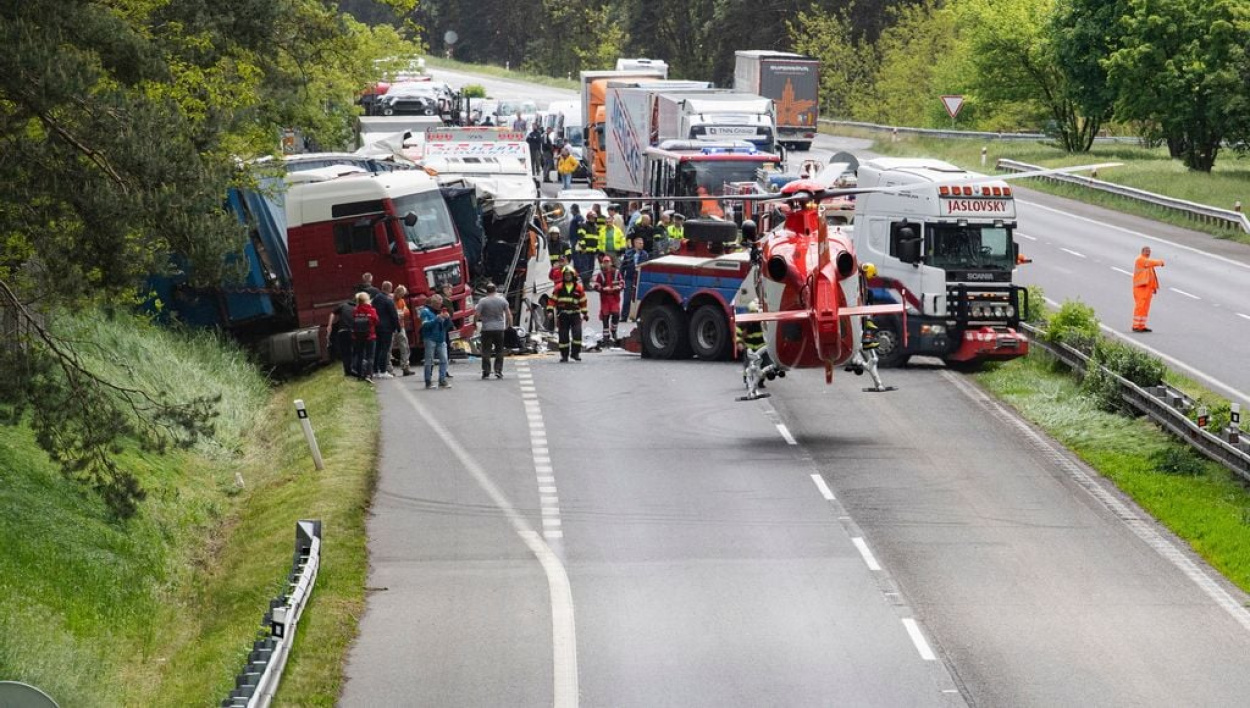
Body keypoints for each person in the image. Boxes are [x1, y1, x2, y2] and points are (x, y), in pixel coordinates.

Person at [548, 267, 588, 362]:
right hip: (563, 315)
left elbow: (583, 301)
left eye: (569, 275)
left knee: (577, 334)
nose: (567, 276)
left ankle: (575, 353)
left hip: (575, 315)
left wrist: (585, 313)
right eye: (566, 275)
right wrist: (549, 311)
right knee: (563, 336)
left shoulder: (579, 288)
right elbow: (552, 300)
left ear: (573, 275)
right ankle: (564, 355)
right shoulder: (559, 287)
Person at [475, 283, 513, 379]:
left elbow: (477, 314)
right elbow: (509, 314)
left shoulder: (482, 301)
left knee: (486, 351)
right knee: (499, 350)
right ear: (495, 290)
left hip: (487, 329)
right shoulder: (502, 300)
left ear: (486, 291)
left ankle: (486, 371)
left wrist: (474, 323)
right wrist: (509, 325)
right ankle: (498, 371)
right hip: (499, 328)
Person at [419, 294, 452, 388]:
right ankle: (428, 381)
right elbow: (425, 325)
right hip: (430, 338)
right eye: (437, 304)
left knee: (444, 359)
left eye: (440, 304)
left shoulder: (441, 311)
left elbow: (447, 326)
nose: (439, 305)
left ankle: (442, 380)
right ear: (433, 303)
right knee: (429, 360)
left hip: (441, 339)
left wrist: (447, 318)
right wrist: (437, 319)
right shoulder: (425, 312)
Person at [591, 256, 624, 346]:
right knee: (605, 317)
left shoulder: (616, 273)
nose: (606, 264)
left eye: (607, 262)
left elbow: (622, 282)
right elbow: (596, 285)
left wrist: (619, 287)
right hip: (605, 298)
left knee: (616, 315)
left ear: (610, 263)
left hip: (614, 298)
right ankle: (606, 336)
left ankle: (614, 331)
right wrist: (602, 288)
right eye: (604, 262)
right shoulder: (600, 274)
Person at [1132, 246, 1165, 332]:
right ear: (1142, 251)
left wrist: (1154, 287)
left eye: (1149, 251)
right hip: (1140, 288)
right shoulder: (1141, 260)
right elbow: (1151, 262)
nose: (1148, 253)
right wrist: (1160, 262)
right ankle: (1136, 326)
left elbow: (1151, 277)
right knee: (1140, 306)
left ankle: (1141, 325)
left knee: (1145, 307)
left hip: (1147, 288)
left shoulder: (1147, 263)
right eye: (1146, 251)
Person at [372, 281, 400, 378]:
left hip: (377, 327)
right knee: (385, 349)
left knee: (377, 349)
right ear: (390, 289)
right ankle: (383, 371)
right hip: (387, 329)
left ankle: (375, 370)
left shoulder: (375, 299)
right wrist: (398, 328)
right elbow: (394, 315)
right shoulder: (388, 300)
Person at [350, 292, 379, 382]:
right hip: (370, 336)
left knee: (360, 355)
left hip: (358, 336)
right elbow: (376, 321)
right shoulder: (371, 310)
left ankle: (360, 375)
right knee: (370, 356)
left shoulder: (355, 310)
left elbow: (353, 321)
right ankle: (368, 375)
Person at [619, 235, 650, 320]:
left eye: (642, 243)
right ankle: (624, 316)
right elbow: (622, 267)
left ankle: (636, 316)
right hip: (629, 278)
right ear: (635, 244)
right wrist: (620, 278)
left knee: (638, 299)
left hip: (639, 279)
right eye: (639, 243)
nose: (641, 244)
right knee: (627, 297)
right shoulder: (628, 254)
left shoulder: (645, 254)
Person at [327, 296, 358, 377]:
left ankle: (347, 372)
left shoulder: (343, 305)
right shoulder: (356, 307)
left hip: (342, 331)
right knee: (354, 350)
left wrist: (329, 325)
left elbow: (332, 313)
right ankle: (353, 369)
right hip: (352, 331)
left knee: (345, 352)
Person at [392, 285, 415, 377]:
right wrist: (399, 312)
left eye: (403, 295)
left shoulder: (401, 301)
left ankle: (405, 367)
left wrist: (403, 312)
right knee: (388, 348)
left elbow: (406, 311)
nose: (401, 296)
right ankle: (388, 369)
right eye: (401, 294)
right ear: (396, 292)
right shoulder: (390, 299)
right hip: (392, 327)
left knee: (405, 346)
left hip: (401, 326)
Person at [575, 212, 603, 286]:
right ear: (588, 218)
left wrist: (597, 249)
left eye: (594, 218)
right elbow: (581, 237)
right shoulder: (583, 226)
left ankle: (588, 283)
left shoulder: (596, 227)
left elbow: (598, 239)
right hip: (585, 251)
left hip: (592, 252)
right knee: (585, 268)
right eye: (591, 218)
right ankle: (586, 284)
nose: (592, 219)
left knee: (591, 267)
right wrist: (583, 247)